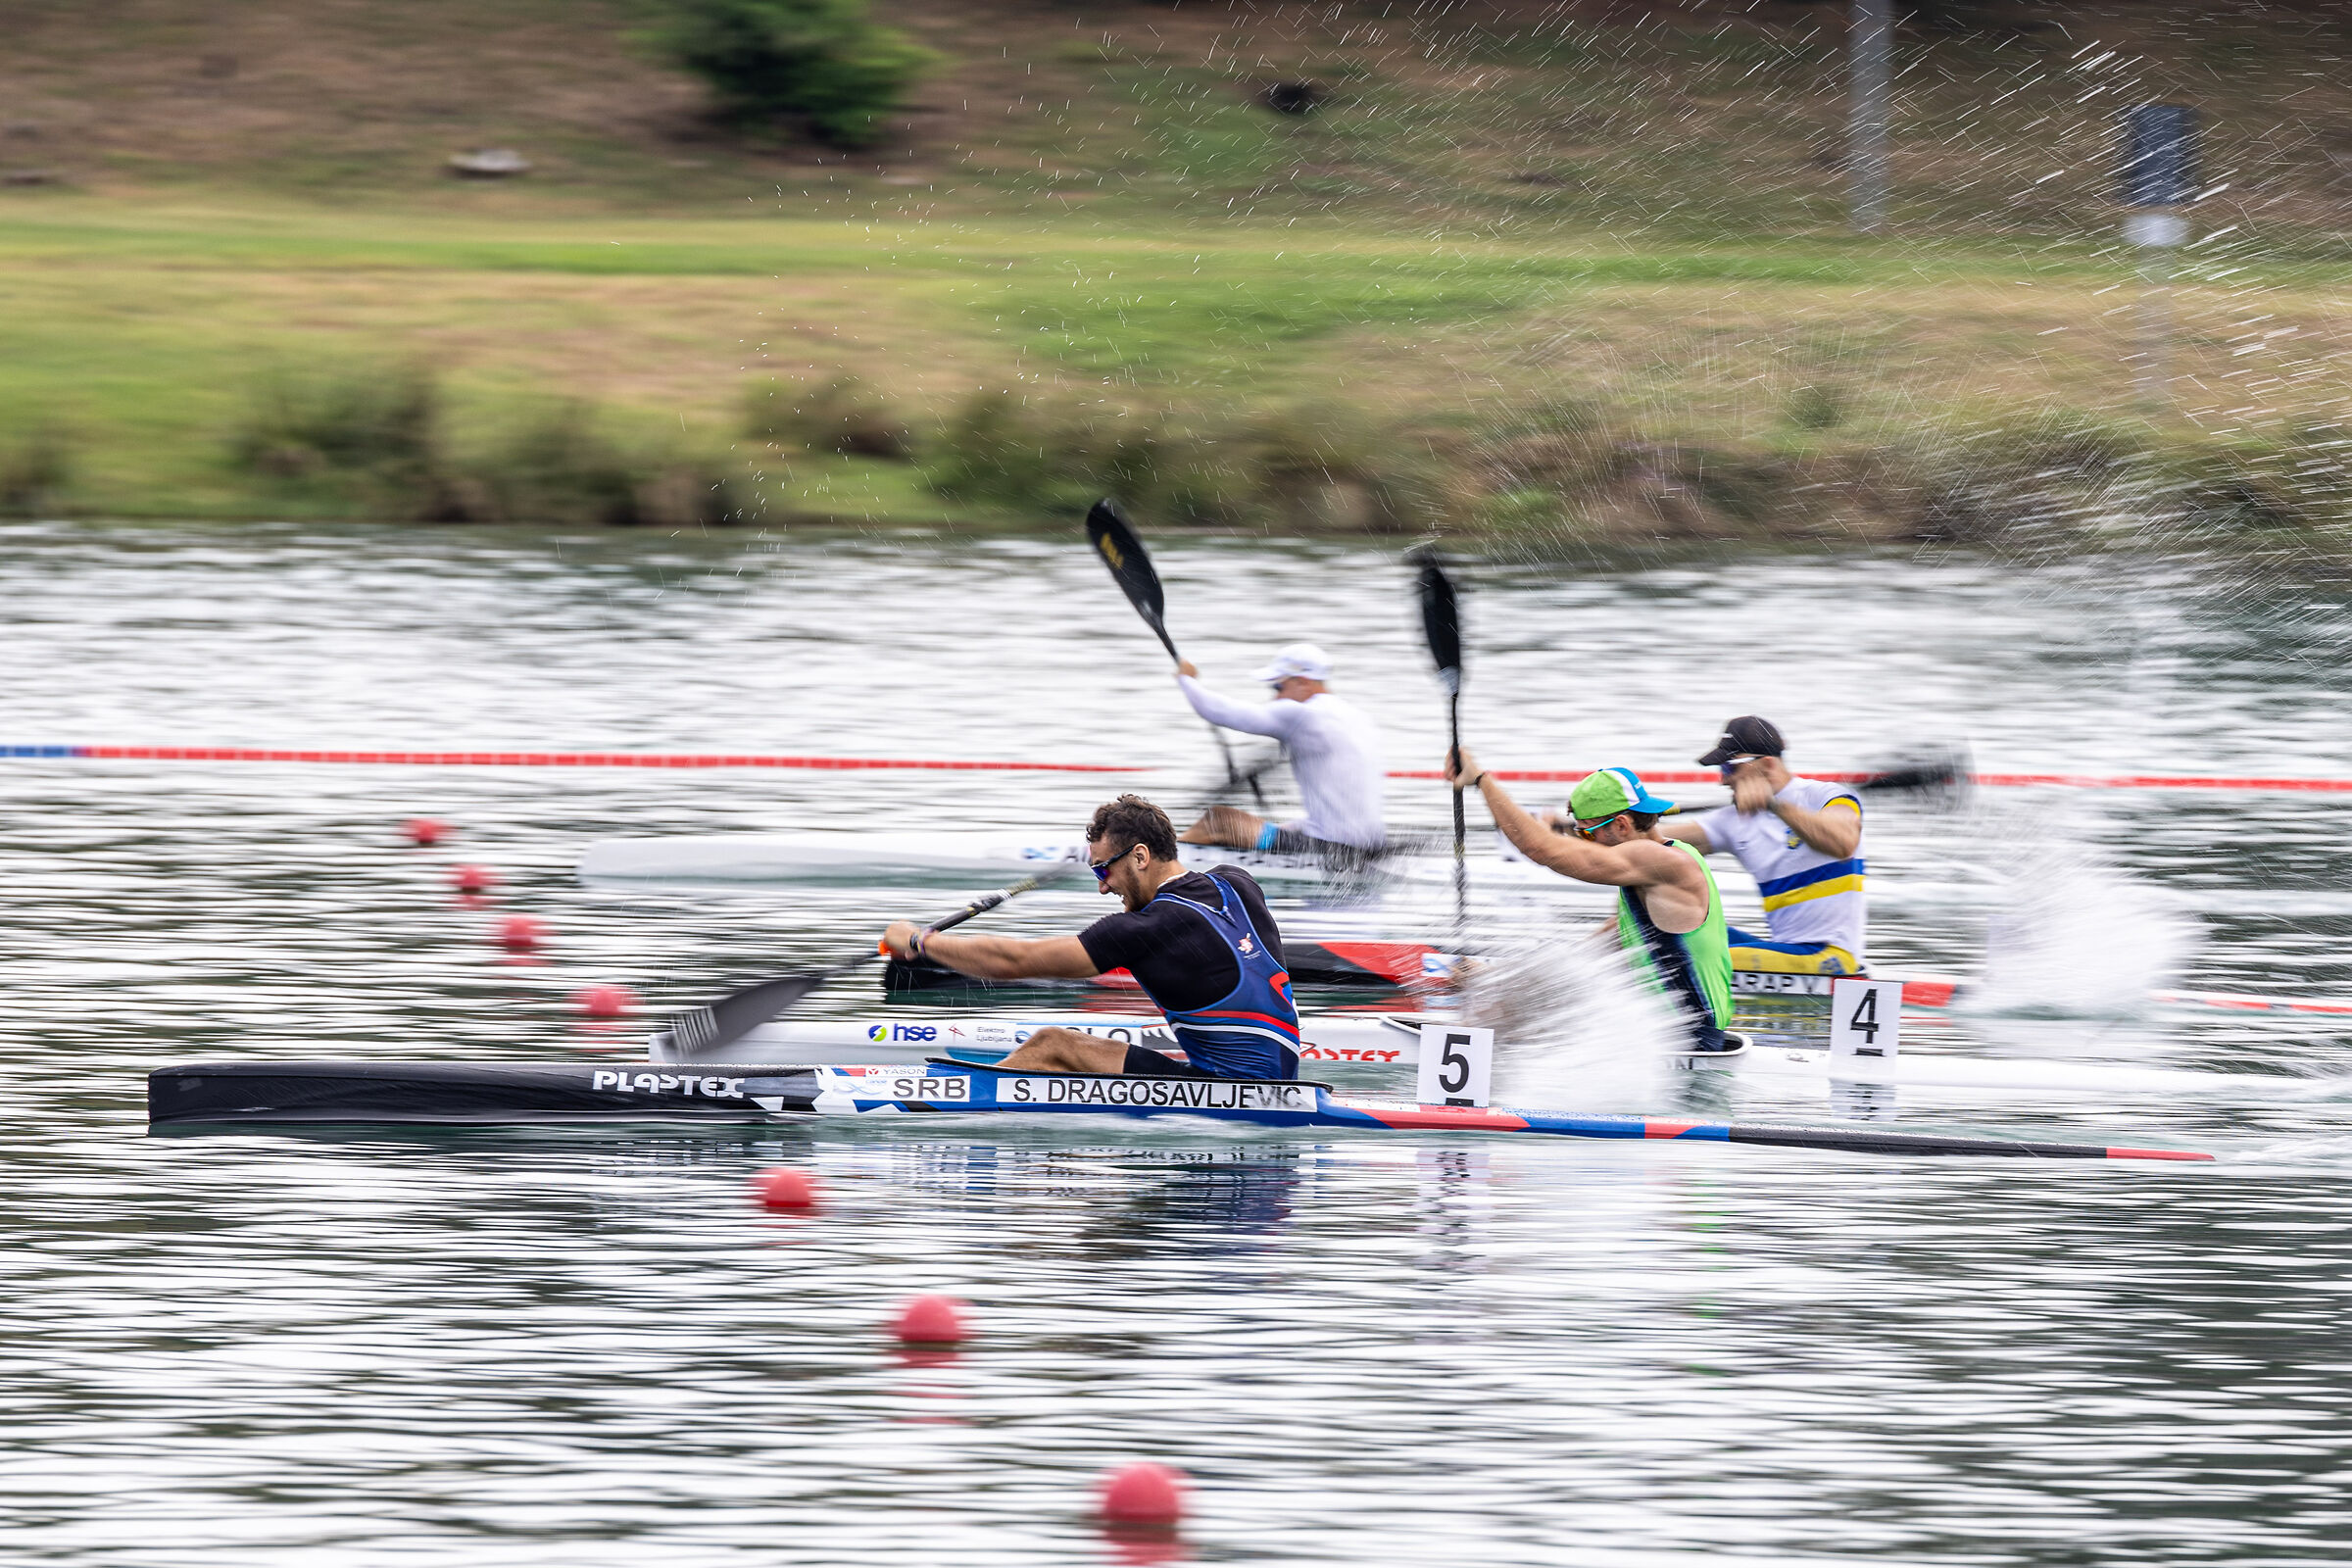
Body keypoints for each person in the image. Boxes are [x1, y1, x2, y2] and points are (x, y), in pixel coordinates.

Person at [880, 794, 1300, 1080]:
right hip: (1275, 1075)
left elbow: (1016, 962)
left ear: (1140, 856)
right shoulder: (1237, 882)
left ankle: (958, 1110)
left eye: (1104, 870)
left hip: (1232, 1091)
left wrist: (920, 942)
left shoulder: (1146, 928)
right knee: (1057, 1044)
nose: (1102, 887)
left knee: (1050, 1047)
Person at [1446, 752, 1738, 1053]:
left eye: (1586, 833)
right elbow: (1590, 957)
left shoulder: (1658, 861)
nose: (1583, 842)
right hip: (1674, 1037)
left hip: (1685, 1044)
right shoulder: (1664, 866)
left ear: (1622, 825)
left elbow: (1543, 851)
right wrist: (1497, 976)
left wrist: (1481, 780)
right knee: (1530, 1005)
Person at [1660, 715, 1867, 976]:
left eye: (1729, 768)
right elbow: (1653, 844)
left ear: (1767, 764)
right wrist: (1618, 825)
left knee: (1691, 955)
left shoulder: (1826, 796)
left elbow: (1844, 843)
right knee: (1653, 928)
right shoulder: (1732, 820)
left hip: (1830, 957)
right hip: (1782, 952)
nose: (1723, 781)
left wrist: (1774, 805)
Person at [1170, 642, 1386, 858]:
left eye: (1278, 688)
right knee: (1270, 828)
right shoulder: (1357, 718)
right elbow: (1341, 809)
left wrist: (1186, 679)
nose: (1276, 698)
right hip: (1369, 846)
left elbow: (1217, 711)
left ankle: (1167, 863)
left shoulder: (1304, 715)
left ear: (1302, 682)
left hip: (1331, 849)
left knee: (1217, 820)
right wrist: (1286, 829)